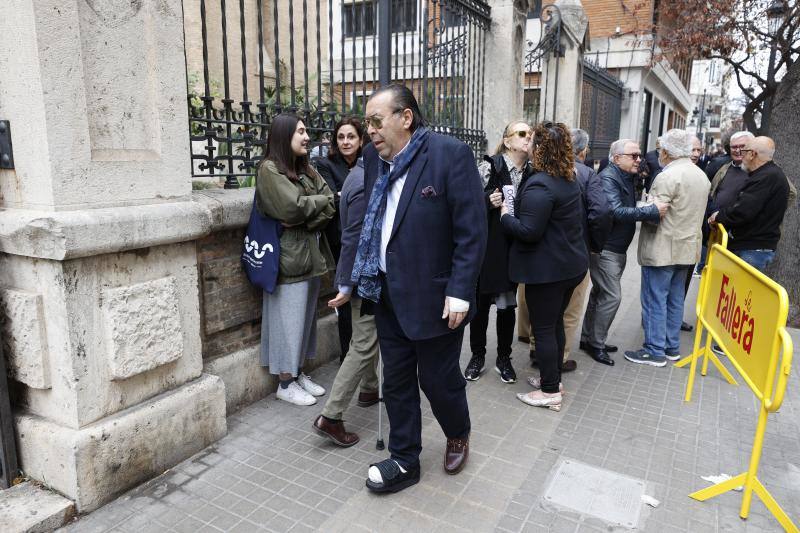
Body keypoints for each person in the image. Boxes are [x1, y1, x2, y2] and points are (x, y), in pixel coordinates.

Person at [351, 85, 486, 493]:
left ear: (405, 118)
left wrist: (461, 290)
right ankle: (405, 458)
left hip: (437, 298)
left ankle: (458, 431)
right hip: (388, 293)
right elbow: (367, 227)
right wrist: (351, 278)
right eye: (367, 123)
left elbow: (472, 232)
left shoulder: (449, 155)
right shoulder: (376, 160)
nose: (369, 130)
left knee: (438, 380)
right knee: (396, 381)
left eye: (376, 121)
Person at [500, 122, 588, 411]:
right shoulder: (567, 177)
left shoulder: (541, 184)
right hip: (569, 266)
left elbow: (528, 231)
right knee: (555, 324)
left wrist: (505, 217)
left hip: (550, 272)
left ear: (540, 148)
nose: (528, 144)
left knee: (544, 328)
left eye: (532, 140)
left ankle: (550, 391)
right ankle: (554, 378)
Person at [256, 113, 335, 405]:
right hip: (288, 258)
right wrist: (310, 208)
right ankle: (285, 383)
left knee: (304, 321)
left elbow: (329, 204)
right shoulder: (269, 169)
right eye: (300, 131)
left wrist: (307, 213)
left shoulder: (307, 169)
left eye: (306, 131)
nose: (306, 136)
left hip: (311, 255)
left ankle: (298, 372)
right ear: (283, 135)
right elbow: (291, 209)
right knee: (287, 321)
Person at [624, 129, 710, 367]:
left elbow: (654, 215)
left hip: (663, 247)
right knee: (675, 300)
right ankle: (671, 347)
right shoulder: (700, 175)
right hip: (687, 247)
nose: (659, 153)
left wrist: (642, 208)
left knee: (654, 299)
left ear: (667, 151)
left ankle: (654, 350)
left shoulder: (668, 176)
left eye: (661, 149)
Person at [579, 139, 668, 366]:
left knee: (600, 294)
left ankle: (588, 337)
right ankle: (596, 344)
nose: (639, 159)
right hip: (606, 248)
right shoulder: (610, 177)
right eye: (634, 155)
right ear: (617, 158)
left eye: (639, 155)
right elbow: (615, 211)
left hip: (615, 247)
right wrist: (651, 211)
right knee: (612, 296)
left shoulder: (625, 176)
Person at [313, 155, 380, 446]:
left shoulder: (356, 174)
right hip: (364, 278)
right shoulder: (365, 183)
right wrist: (347, 283)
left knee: (366, 338)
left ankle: (369, 388)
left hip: (360, 276)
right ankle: (331, 416)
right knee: (363, 344)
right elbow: (353, 236)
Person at [463, 121, 531, 384]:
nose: (528, 139)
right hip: (488, 249)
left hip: (514, 250)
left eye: (530, 135)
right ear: (508, 140)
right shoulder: (489, 166)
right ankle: (477, 356)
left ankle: (504, 358)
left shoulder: (532, 172)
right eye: (522, 134)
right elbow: (465, 204)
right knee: (480, 308)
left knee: (507, 307)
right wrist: (486, 202)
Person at [558, 129, 612, 371]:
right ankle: (560, 357)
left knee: (546, 308)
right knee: (570, 309)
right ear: (582, 150)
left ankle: (539, 350)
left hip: (546, 251)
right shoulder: (587, 174)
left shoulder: (542, 170)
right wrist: (595, 245)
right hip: (577, 251)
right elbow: (600, 212)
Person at [315, 117, 365, 363]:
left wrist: (344, 194)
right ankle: (348, 353)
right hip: (339, 239)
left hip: (365, 239)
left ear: (360, 139)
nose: (346, 142)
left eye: (351, 136)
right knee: (344, 295)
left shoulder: (369, 163)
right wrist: (348, 196)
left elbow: (343, 197)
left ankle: (365, 353)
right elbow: (331, 200)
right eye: (341, 137)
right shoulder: (325, 164)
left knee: (363, 297)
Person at [708, 136, 790, 271]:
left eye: (744, 151)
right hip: (753, 247)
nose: (741, 155)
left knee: (740, 291)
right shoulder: (769, 174)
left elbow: (743, 212)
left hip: (752, 249)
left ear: (752, 154)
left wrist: (718, 216)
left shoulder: (766, 177)